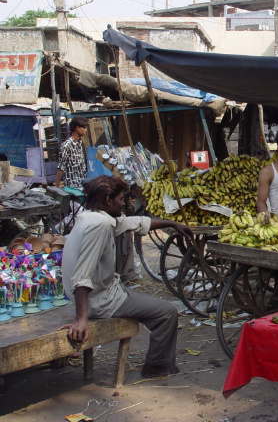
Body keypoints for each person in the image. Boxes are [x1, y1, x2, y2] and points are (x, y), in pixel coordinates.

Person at [62, 176, 194, 378]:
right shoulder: (100, 226)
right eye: (121, 199)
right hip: (99, 301)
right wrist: (82, 319)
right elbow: (83, 275)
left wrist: (172, 224)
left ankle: (158, 362)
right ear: (108, 200)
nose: (124, 204)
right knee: (167, 312)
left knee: (145, 301)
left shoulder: (90, 216)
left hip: (93, 295)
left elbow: (133, 222)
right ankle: (157, 366)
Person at [55, 116, 89, 189]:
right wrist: (56, 189)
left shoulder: (80, 143)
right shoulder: (66, 146)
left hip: (82, 185)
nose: (86, 130)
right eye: (84, 128)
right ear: (77, 128)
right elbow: (61, 168)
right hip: (72, 187)